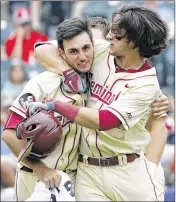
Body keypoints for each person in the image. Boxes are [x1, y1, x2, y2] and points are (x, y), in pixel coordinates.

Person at [32, 6, 169, 201]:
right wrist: (68, 72)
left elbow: (105, 120)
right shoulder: (102, 50)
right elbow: (42, 48)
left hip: (128, 170)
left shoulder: (146, 85)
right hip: (88, 171)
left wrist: (57, 105)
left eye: (117, 34)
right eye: (111, 30)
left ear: (133, 42)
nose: (110, 36)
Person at [2, 19, 92, 201]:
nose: (82, 56)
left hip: (72, 177)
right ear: (62, 53)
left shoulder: (94, 82)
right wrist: (41, 168)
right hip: (34, 176)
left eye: (86, 48)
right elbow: (9, 134)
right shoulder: (43, 83)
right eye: (73, 51)